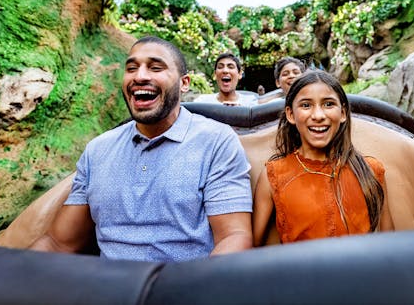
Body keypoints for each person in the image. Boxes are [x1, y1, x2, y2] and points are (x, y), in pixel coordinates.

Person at [30, 36, 253, 262]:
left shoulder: (217, 141)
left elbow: (234, 237)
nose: (140, 76)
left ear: (184, 83)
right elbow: (58, 242)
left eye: (155, 68)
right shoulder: (97, 150)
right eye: (131, 68)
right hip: (106, 290)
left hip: (184, 288)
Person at [252, 70, 393, 245]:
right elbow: (255, 249)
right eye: (306, 105)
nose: (318, 116)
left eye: (328, 104)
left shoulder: (371, 170)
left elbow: (389, 245)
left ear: (343, 113)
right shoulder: (274, 175)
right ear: (290, 115)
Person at [194, 52, 258, 106]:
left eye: (230, 67)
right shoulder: (202, 102)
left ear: (240, 74)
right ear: (215, 74)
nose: (225, 70)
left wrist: (241, 112)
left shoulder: (250, 103)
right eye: (220, 67)